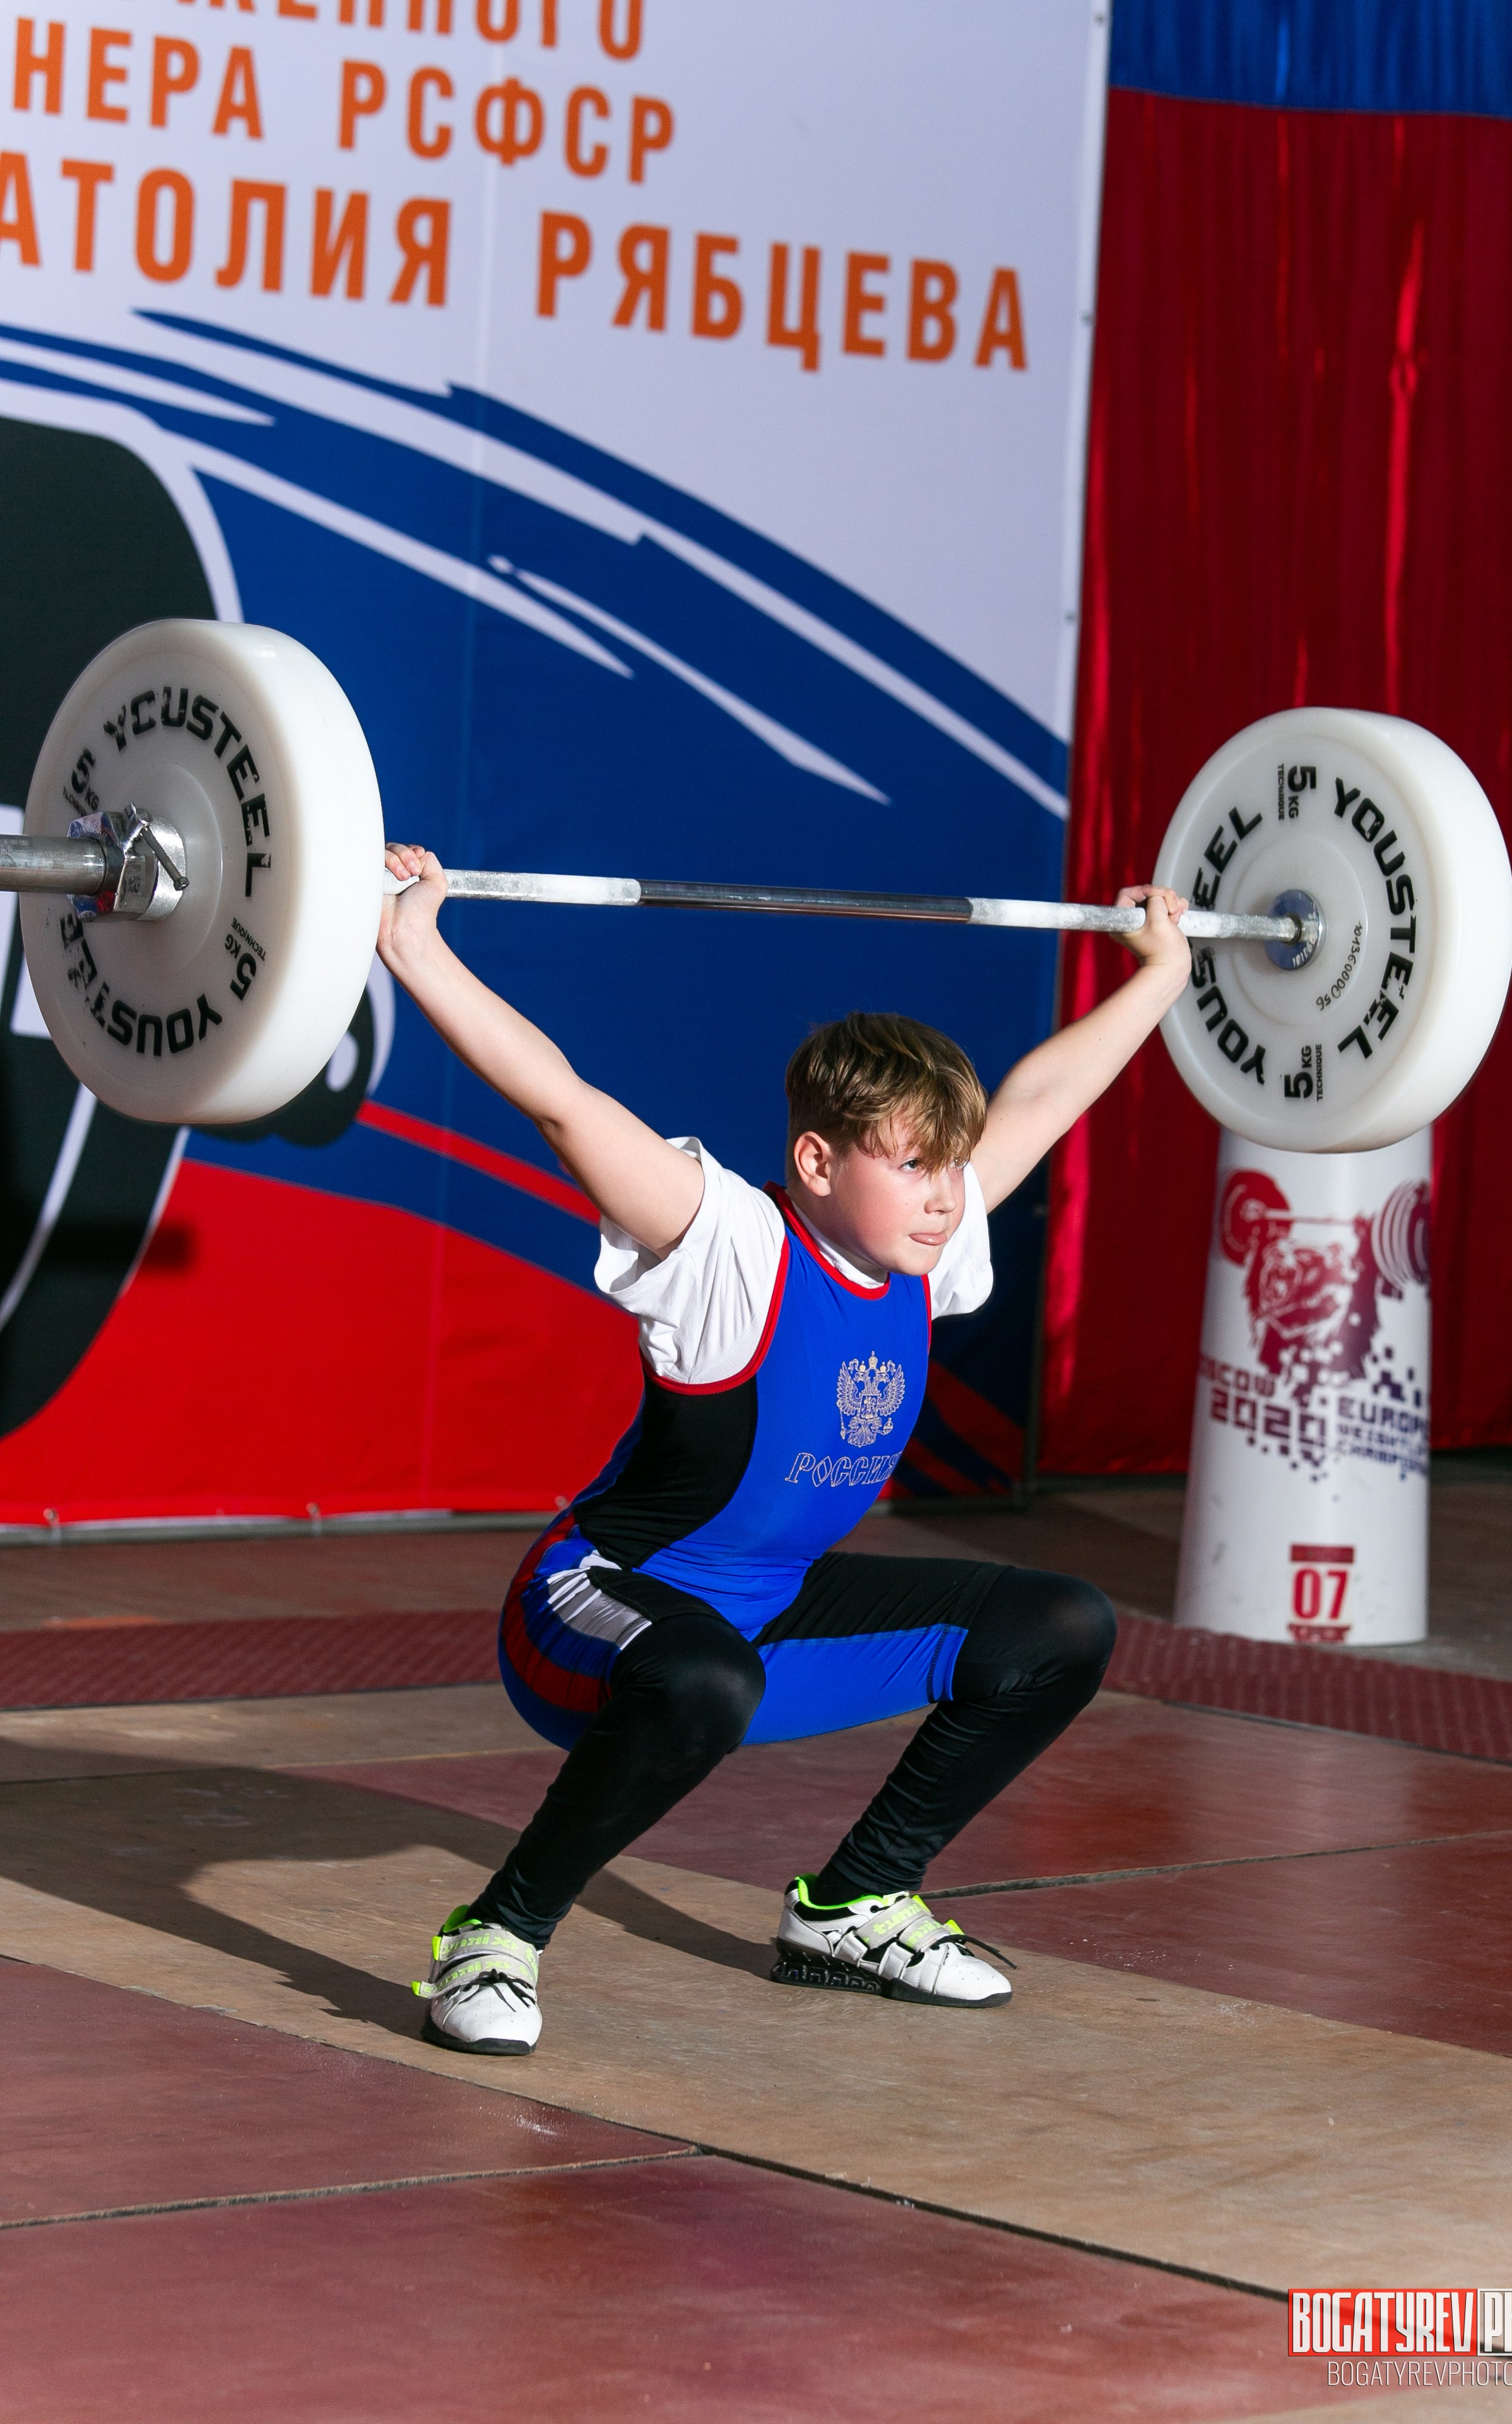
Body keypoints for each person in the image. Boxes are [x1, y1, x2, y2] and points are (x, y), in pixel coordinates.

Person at [378, 848, 1190, 2053]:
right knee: (707, 1678)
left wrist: (1162, 977)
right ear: (819, 1162)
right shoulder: (727, 1245)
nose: (947, 1193)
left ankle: (859, 1902)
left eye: (952, 1166)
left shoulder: (932, 1245)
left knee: (1059, 1625)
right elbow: (559, 1097)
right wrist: (414, 950)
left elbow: (1039, 1101)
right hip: (589, 1614)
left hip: (764, 1619)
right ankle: (497, 1936)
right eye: (914, 1163)